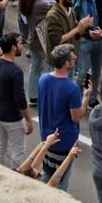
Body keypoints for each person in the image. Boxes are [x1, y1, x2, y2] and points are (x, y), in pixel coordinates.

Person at [38, 43, 92, 190]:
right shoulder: (72, 88)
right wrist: (86, 97)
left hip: (47, 136)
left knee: (47, 172)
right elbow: (76, 116)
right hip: (64, 140)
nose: (75, 61)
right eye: (73, 59)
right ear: (67, 63)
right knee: (61, 180)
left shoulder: (43, 79)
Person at [0, 33, 33, 170]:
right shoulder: (16, 70)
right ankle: (14, 175)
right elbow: (19, 98)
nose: (22, 46)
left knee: (2, 147)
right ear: (13, 47)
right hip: (12, 117)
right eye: (20, 43)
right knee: (18, 150)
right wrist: (28, 120)